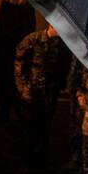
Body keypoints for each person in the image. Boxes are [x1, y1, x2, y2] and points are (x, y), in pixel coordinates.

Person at [14, 24, 70, 164]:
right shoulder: (34, 39)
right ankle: (26, 152)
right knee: (28, 122)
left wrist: (60, 84)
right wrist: (22, 86)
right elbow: (19, 63)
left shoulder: (62, 45)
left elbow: (64, 65)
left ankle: (40, 152)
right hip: (32, 89)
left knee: (45, 123)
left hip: (50, 91)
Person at [0, 0, 36, 119]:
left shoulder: (24, 5)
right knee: (3, 82)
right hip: (3, 51)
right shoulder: (5, 3)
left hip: (15, 53)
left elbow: (27, 31)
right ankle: (4, 111)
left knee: (15, 85)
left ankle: (19, 115)